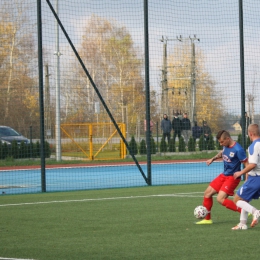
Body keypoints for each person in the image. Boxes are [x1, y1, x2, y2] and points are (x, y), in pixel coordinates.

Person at [196, 130, 247, 224]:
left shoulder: (238, 149)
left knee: (220, 199)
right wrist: (213, 158)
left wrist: (246, 180)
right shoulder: (225, 146)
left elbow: (247, 165)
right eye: (219, 142)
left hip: (233, 177)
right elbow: (222, 153)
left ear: (228, 139)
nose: (221, 144)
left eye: (222, 142)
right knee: (207, 193)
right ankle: (207, 219)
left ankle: (243, 211)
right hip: (224, 175)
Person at [231, 124, 260, 230]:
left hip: (256, 178)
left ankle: (255, 212)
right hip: (256, 178)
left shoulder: (253, 146)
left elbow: (252, 164)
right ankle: (242, 224)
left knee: (237, 199)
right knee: (244, 199)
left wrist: (240, 172)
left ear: (250, 134)